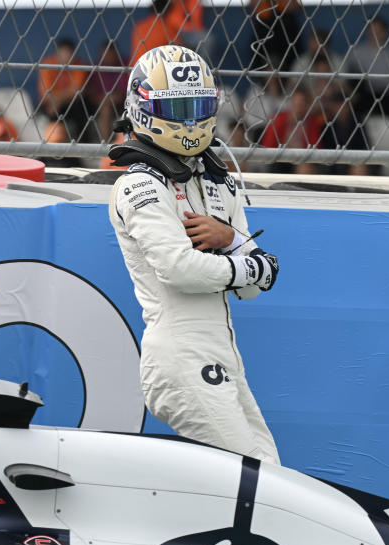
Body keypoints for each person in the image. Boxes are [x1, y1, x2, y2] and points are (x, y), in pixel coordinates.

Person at [106, 45, 281, 464]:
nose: (190, 119)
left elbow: (255, 288)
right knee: (261, 479)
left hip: (223, 355)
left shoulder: (221, 181)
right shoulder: (138, 185)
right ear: (146, 109)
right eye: (178, 107)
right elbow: (180, 270)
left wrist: (227, 239)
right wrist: (248, 261)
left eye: (199, 106)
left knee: (266, 474)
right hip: (179, 357)